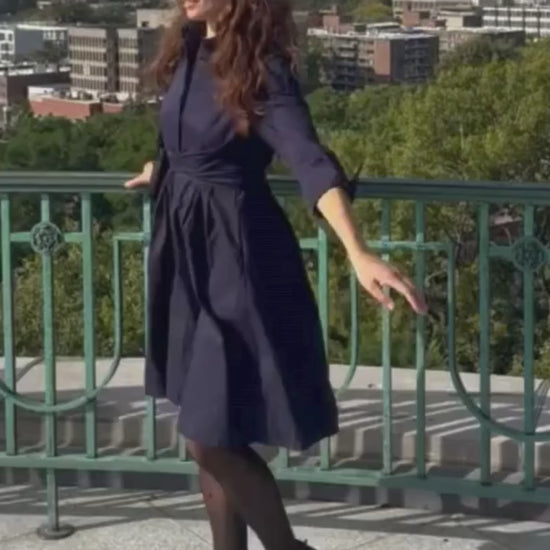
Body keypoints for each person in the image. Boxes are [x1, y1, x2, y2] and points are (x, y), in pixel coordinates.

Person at [125, 1, 427, 549]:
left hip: (236, 258)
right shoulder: (187, 51)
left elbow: (308, 159)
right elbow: (186, 135)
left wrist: (357, 251)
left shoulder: (260, 68)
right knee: (211, 427)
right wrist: (166, 169)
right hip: (186, 253)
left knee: (208, 437)